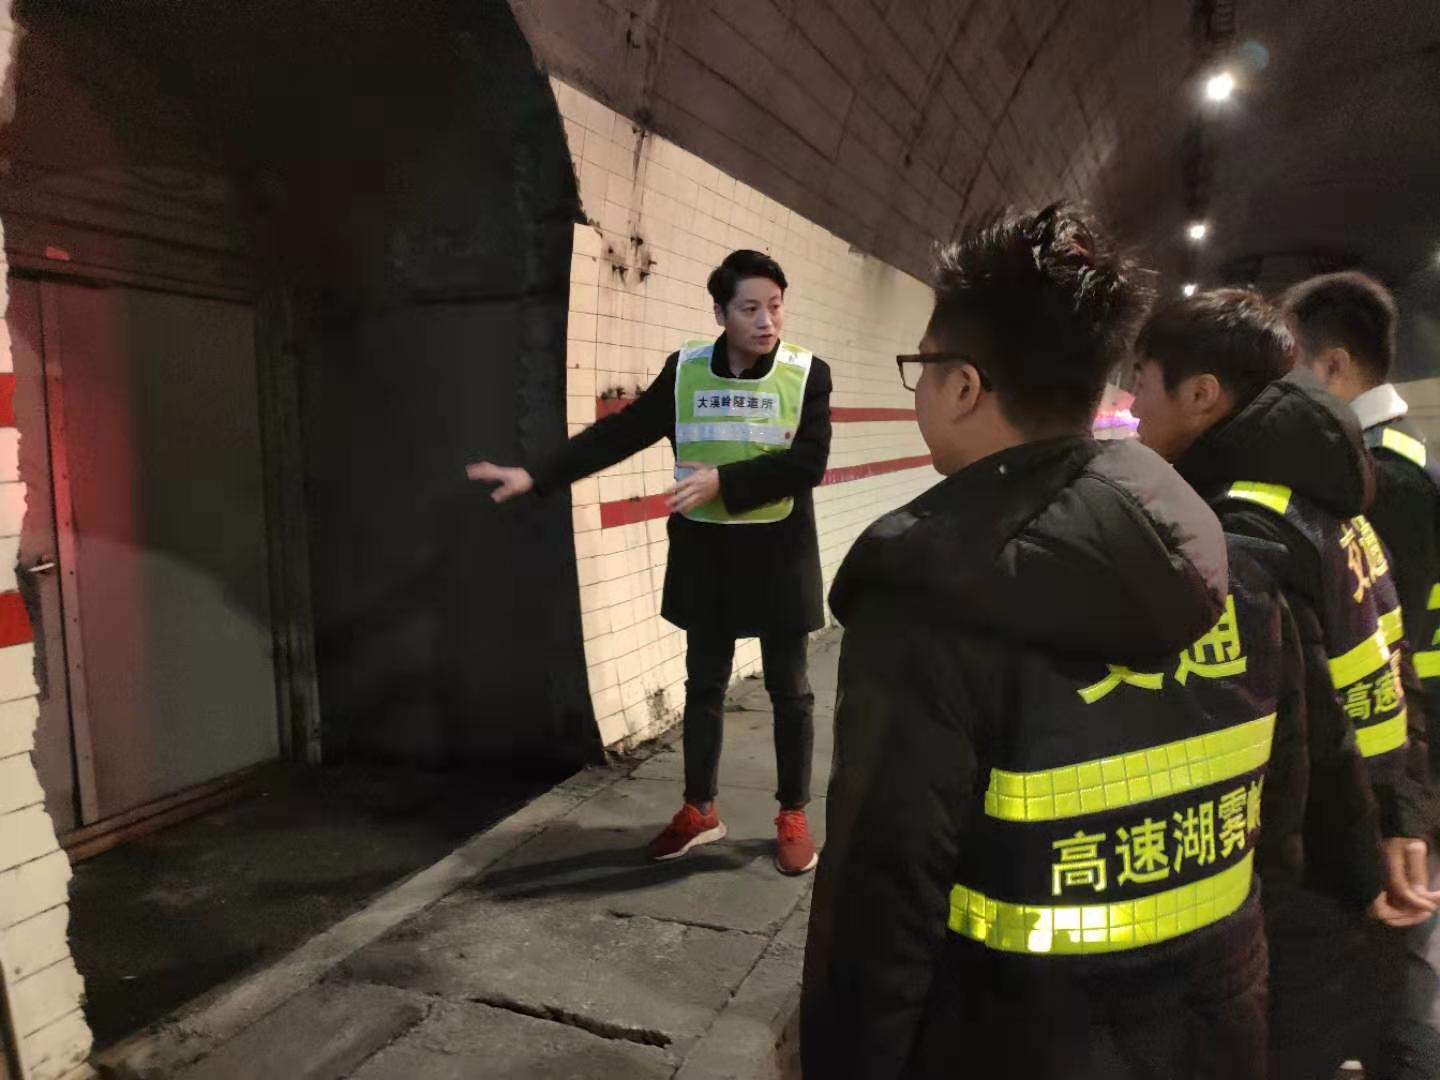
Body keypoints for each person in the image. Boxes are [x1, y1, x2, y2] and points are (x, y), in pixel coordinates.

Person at [802, 204, 1300, 1080]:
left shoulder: (926, 597)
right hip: (1221, 1025)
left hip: (1007, 1041)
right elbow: (1282, 821)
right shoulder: (1241, 571)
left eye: (922, 367)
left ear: (962, 385)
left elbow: (885, 892)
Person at [1130, 287, 1439, 1077]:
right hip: (1365, 832)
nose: (1131, 405)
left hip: (1311, 871)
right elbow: (1392, 666)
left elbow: (1309, 727)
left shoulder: (1246, 528)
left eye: (1143, 380)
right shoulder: (1327, 503)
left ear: (1201, 394)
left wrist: (1363, 859)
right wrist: (1400, 811)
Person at [468, 249, 833, 875]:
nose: (767, 321)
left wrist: (724, 481)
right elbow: (623, 431)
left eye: (775, 307)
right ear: (719, 312)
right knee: (704, 686)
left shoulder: (807, 373)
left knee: (791, 691)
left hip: (780, 553)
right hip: (708, 554)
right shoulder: (686, 370)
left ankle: (792, 815)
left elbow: (809, 463)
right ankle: (699, 811)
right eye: (750, 308)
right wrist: (540, 474)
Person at [1284, 270, 1440, 1079]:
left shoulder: (1384, 481)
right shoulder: (1396, 462)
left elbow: (1389, 656)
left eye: (1292, 369)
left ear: (1334, 366)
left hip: (1403, 766)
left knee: (1395, 981)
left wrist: (1397, 809)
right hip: (1403, 766)